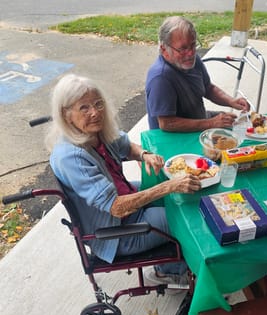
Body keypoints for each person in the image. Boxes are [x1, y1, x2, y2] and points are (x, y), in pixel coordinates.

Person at [46, 73, 201, 287]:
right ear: (67, 115)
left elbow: (126, 145)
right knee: (183, 217)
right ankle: (172, 272)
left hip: (124, 198)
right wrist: (168, 186)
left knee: (177, 197)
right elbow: (117, 208)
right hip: (114, 233)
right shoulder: (70, 156)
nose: (95, 112)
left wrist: (144, 154)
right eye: (84, 108)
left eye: (98, 104)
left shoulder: (94, 133)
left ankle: (168, 266)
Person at [145, 16, 250, 132]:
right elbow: (167, 123)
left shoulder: (192, 61)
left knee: (239, 125)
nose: (190, 53)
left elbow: (208, 88)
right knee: (230, 134)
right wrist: (212, 123)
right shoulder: (161, 77)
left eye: (193, 45)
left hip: (198, 118)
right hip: (173, 139)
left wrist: (231, 101)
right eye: (183, 48)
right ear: (164, 49)